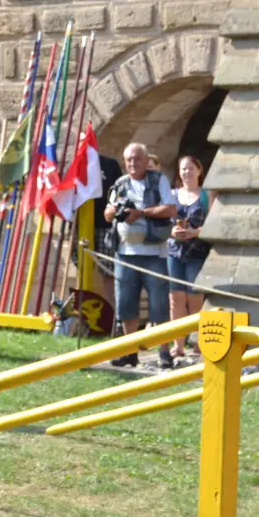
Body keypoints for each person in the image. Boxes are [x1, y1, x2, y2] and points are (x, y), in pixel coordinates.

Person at [104, 142, 179, 368]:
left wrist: (141, 213)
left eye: (137, 159)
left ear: (146, 161)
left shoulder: (159, 180)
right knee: (126, 304)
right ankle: (130, 351)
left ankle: (164, 352)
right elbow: (108, 213)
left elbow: (170, 209)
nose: (133, 164)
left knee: (159, 305)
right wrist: (114, 211)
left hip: (154, 254)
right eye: (128, 160)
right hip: (125, 253)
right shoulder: (120, 184)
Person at [167, 155, 211, 358]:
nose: (187, 172)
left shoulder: (206, 195)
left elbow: (213, 224)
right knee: (175, 299)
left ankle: (197, 342)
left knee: (195, 299)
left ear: (199, 170)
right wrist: (172, 232)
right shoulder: (172, 194)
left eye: (191, 168)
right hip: (174, 252)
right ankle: (178, 344)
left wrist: (195, 232)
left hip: (196, 252)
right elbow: (164, 222)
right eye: (183, 169)